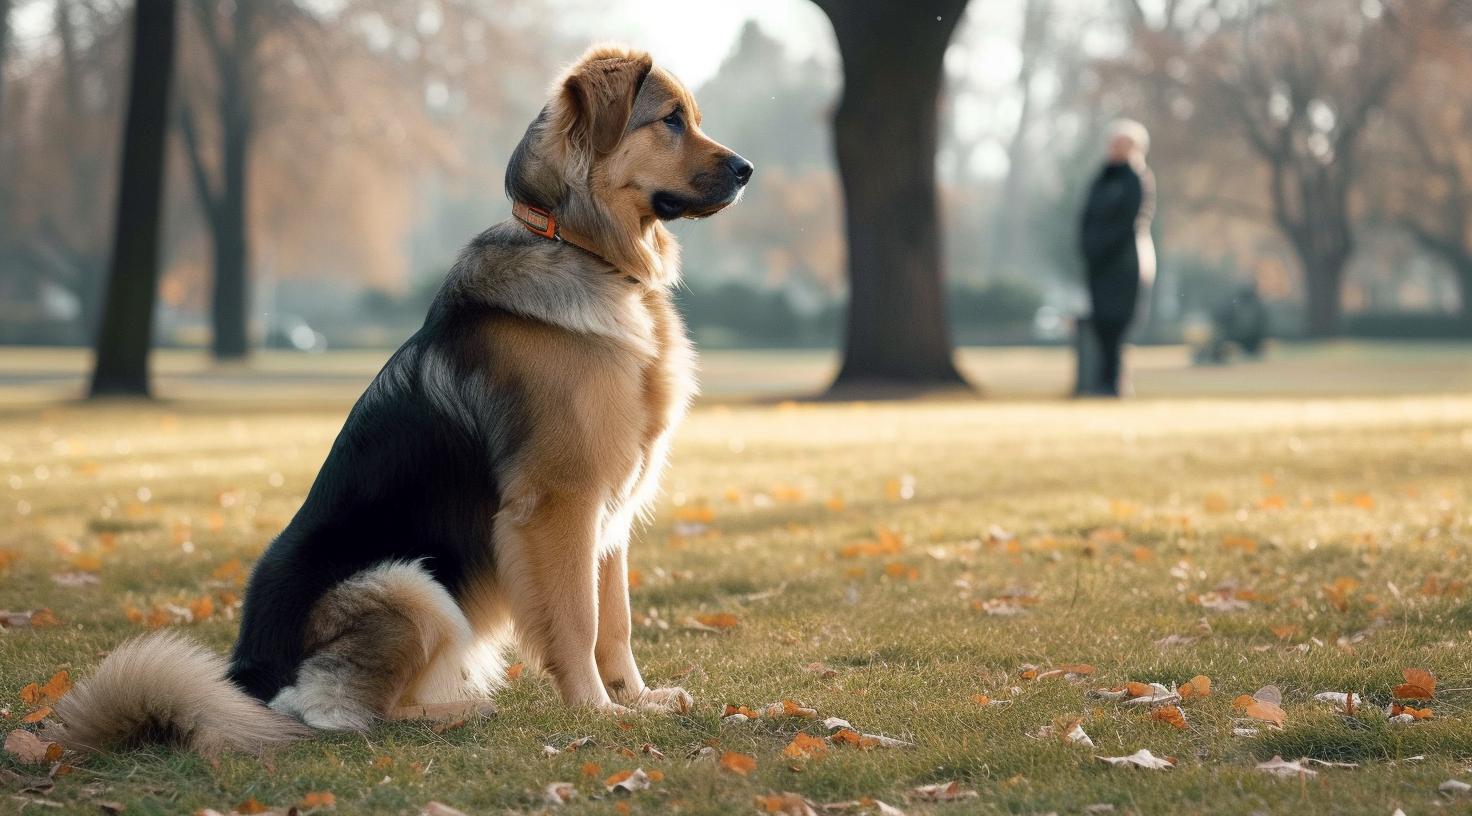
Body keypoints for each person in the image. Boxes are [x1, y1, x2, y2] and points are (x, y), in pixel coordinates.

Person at [1078, 119, 1155, 396]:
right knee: (1101, 324)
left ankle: (1116, 383)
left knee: (1119, 323)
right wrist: (1089, 249)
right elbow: (1086, 218)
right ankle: (1101, 382)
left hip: (1125, 264)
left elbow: (1131, 221)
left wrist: (1104, 247)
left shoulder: (1137, 179)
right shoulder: (1101, 178)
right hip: (1099, 264)